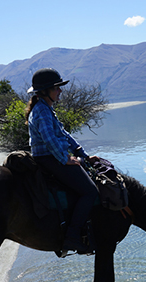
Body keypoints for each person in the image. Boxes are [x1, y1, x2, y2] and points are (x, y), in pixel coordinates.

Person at [25, 68, 99, 254]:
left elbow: (63, 134)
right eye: (57, 88)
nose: (60, 91)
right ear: (45, 90)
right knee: (90, 191)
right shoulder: (41, 110)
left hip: (52, 156)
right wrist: (65, 159)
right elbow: (49, 139)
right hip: (49, 158)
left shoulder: (46, 108)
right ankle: (72, 237)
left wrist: (82, 153)